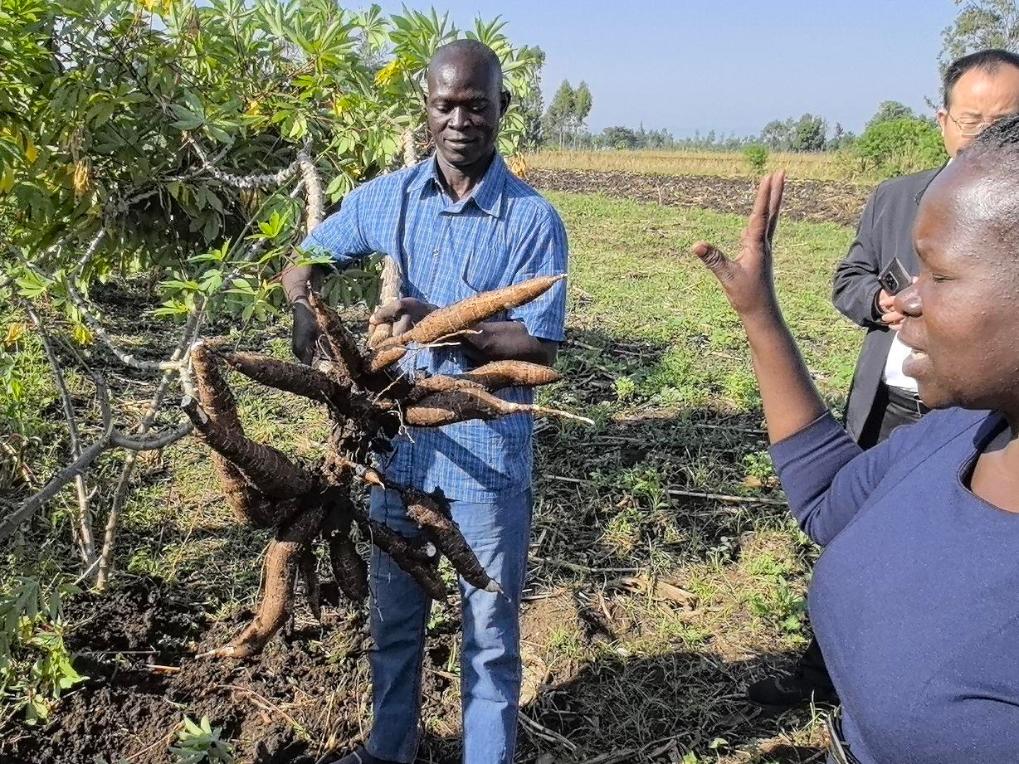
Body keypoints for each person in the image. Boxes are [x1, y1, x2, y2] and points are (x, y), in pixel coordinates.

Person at [694, 114, 1019, 762]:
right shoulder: (962, 433)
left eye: (938, 275)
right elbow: (826, 496)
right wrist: (758, 313)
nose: (905, 300)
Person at [281, 40, 568, 764]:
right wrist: (305, 307)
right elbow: (305, 260)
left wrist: (445, 324)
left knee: (490, 637)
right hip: (395, 456)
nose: (460, 121)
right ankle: (388, 752)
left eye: (476, 105)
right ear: (427, 108)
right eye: (446, 106)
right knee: (393, 625)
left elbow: (537, 349)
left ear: (502, 107)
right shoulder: (391, 197)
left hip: (486, 464)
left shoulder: (533, 220)